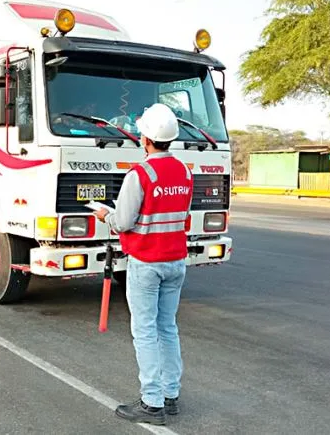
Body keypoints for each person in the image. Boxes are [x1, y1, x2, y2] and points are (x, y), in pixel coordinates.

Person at [93, 103, 193, 426]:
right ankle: (170, 395)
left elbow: (123, 222)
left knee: (145, 331)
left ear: (145, 139)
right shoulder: (186, 173)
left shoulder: (140, 175)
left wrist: (105, 215)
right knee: (167, 327)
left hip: (147, 262)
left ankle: (152, 402)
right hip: (176, 262)